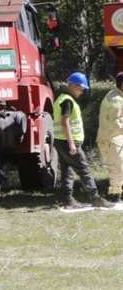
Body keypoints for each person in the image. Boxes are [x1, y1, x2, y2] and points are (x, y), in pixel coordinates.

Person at [55, 72, 104, 209]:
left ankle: (67, 199)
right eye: (81, 88)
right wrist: (71, 143)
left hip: (60, 141)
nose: (82, 91)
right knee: (84, 169)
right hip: (68, 142)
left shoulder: (61, 98)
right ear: (73, 85)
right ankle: (95, 198)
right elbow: (65, 122)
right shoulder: (67, 101)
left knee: (67, 170)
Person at [95, 73, 123, 206]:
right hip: (111, 138)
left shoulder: (117, 95)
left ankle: (116, 194)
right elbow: (116, 122)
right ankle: (114, 196)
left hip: (114, 136)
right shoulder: (116, 100)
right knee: (117, 168)